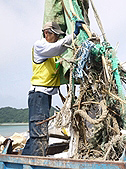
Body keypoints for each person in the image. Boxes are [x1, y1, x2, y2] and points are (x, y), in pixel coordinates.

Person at [22, 21, 84, 156]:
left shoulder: (52, 53)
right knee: (39, 133)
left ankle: (25, 158)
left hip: (45, 95)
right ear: (47, 33)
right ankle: (36, 162)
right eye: (56, 35)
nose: (57, 38)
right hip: (38, 94)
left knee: (38, 130)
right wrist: (74, 34)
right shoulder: (40, 46)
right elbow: (58, 47)